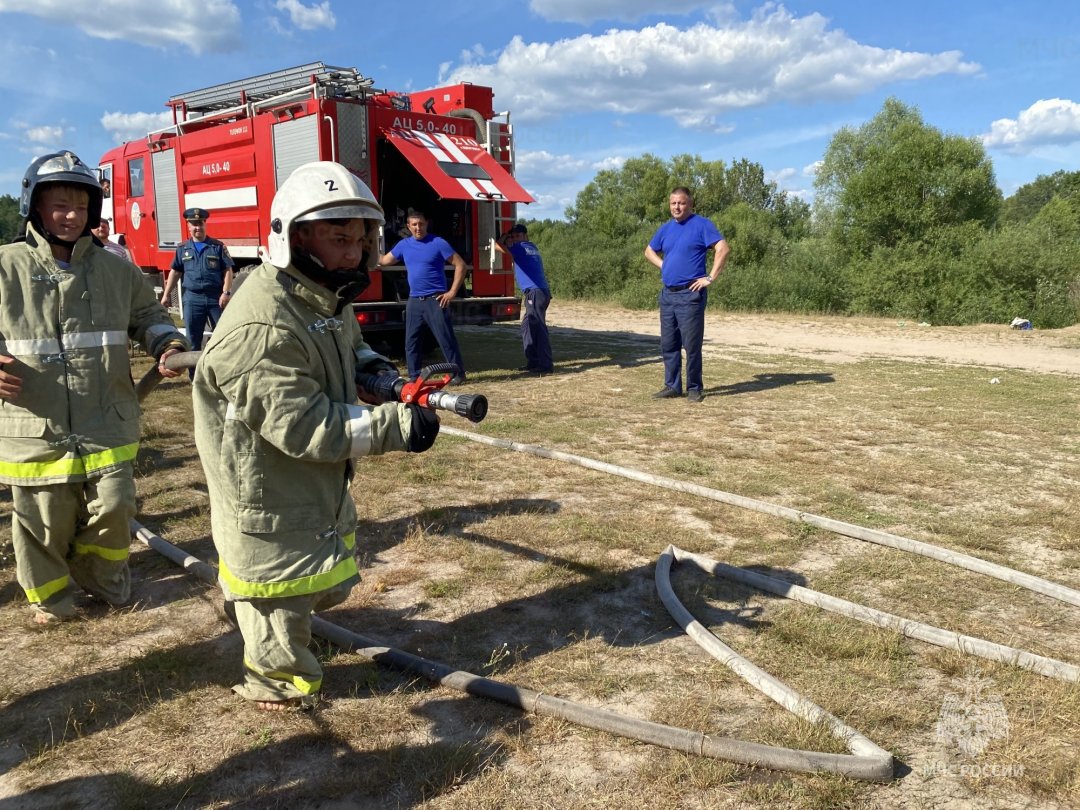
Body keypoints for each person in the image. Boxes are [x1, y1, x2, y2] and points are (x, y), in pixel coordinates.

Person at [191, 161, 441, 711]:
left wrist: (387, 380)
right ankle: (277, 686)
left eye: (361, 238)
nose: (354, 253)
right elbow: (303, 426)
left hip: (300, 479)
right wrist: (397, 425)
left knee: (311, 576)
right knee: (276, 590)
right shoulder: (263, 326)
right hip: (263, 482)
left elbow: (351, 348)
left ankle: (287, 647)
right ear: (295, 237)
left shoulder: (320, 294)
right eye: (338, 238)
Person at [0, 150, 189, 624]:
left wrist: (166, 344)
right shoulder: (5, 266)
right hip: (33, 421)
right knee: (43, 521)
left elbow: (148, 315)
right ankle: (51, 599)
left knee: (116, 504)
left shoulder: (114, 268)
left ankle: (101, 578)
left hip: (106, 418)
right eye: (60, 205)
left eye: (81, 207)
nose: (71, 216)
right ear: (35, 207)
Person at [644, 187, 730, 403]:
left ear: (690, 204)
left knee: (691, 345)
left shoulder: (701, 225)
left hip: (690, 295)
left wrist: (710, 278)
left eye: (681, 203)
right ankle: (672, 386)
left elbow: (723, 248)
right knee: (669, 344)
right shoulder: (665, 229)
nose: (677, 207)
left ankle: (694, 387)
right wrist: (664, 265)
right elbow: (648, 251)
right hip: (668, 295)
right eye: (673, 203)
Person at [377, 210, 467, 383]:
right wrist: (364, 251)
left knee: (446, 339)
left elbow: (460, 265)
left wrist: (452, 292)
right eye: (414, 225)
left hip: (436, 300)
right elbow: (384, 261)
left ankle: (458, 374)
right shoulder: (404, 245)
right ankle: (414, 376)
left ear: (427, 224)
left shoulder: (438, 243)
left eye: (421, 224)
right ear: (408, 227)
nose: (418, 228)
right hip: (414, 301)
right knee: (411, 342)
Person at [160, 207, 235, 358]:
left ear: (205, 224)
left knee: (224, 336)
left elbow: (228, 271)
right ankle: (194, 377)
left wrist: (226, 293)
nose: (197, 227)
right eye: (194, 224)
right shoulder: (182, 249)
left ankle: (221, 373)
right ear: (188, 226)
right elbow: (175, 272)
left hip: (215, 298)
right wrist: (166, 295)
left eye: (200, 223)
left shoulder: (217, 247)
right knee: (192, 340)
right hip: (193, 299)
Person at [495, 223, 554, 374]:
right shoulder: (532, 246)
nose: (515, 238)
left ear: (525, 236)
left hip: (534, 293)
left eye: (518, 235)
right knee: (527, 325)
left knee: (539, 328)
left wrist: (504, 238)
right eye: (513, 236)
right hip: (540, 292)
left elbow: (497, 246)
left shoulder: (519, 247)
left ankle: (545, 365)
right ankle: (533, 361)